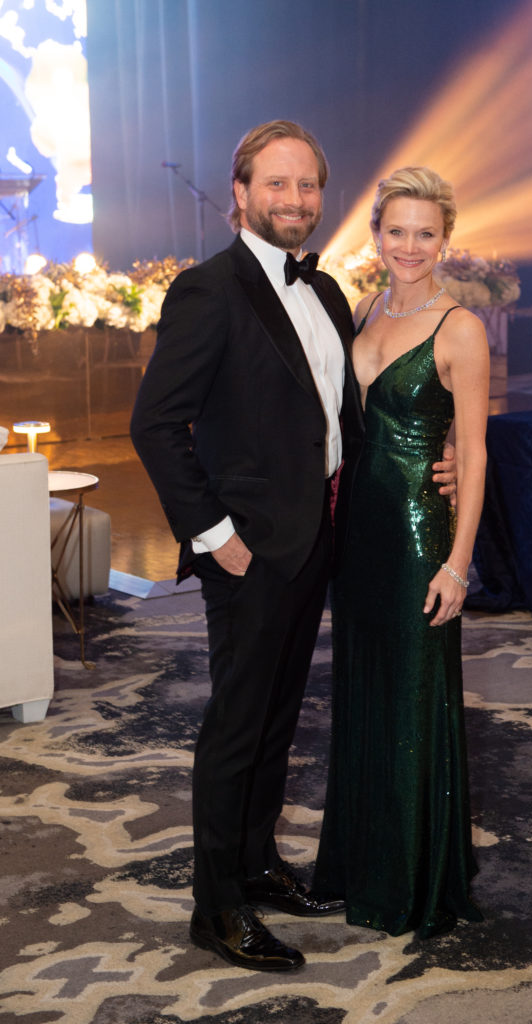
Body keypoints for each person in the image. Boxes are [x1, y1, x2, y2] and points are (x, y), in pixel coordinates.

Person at [130, 122, 455, 972]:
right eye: (277, 185)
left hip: (320, 540)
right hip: (249, 550)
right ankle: (217, 907)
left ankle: (259, 862)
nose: (296, 201)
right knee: (235, 727)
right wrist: (215, 538)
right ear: (240, 193)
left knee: (278, 721)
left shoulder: (329, 293)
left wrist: (439, 453)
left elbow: (349, 414)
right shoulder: (208, 290)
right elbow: (157, 425)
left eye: (309, 186)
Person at [312, 167, 490, 939]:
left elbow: (474, 455)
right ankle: (360, 862)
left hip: (421, 537)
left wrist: (458, 562)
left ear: (444, 239)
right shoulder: (363, 309)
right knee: (363, 692)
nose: (409, 246)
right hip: (356, 536)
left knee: (415, 701)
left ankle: (415, 877)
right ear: (377, 236)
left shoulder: (461, 328)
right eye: (396, 231)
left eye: (425, 232)